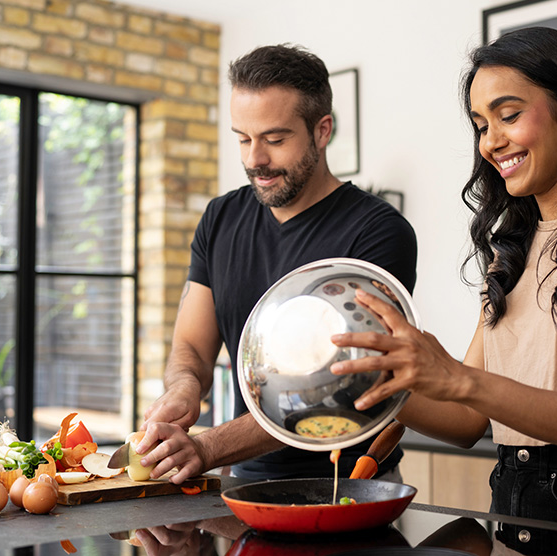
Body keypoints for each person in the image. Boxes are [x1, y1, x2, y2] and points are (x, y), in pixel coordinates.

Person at [327, 27, 557, 555]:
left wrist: (456, 377)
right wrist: (371, 386)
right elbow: (467, 421)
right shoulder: (512, 252)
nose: (490, 142)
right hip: (513, 518)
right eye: (481, 125)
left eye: (508, 115)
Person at [134, 43, 418, 484]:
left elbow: (337, 389)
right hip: (242, 476)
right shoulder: (220, 218)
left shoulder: (377, 231)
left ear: (322, 131)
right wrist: (185, 386)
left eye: (274, 139)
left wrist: (208, 446)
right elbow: (191, 345)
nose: (255, 160)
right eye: (243, 139)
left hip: (348, 483)